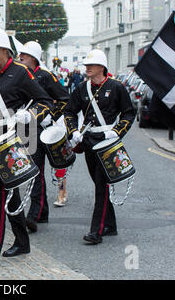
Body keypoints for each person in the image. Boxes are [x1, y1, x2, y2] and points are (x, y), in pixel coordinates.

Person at [0, 28, 53, 262]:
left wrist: (31, 115)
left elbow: (46, 101)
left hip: (12, 143)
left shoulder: (21, 73)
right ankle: (22, 242)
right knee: (9, 193)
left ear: (5, 51)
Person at [63, 49, 135, 244]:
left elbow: (129, 113)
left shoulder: (116, 87)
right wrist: (73, 132)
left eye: (91, 65)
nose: (87, 68)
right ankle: (110, 225)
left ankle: (97, 230)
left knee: (102, 186)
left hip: (107, 142)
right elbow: (69, 111)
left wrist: (117, 132)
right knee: (98, 183)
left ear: (101, 67)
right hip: (88, 141)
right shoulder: (81, 88)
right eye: (86, 65)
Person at [18, 41, 69, 233]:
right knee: (33, 170)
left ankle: (34, 214)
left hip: (40, 128)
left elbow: (65, 100)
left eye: (25, 54)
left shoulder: (45, 76)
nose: (20, 57)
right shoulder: (19, 74)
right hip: (25, 127)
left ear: (34, 57)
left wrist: (51, 116)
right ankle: (43, 212)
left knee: (35, 171)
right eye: (20, 54)